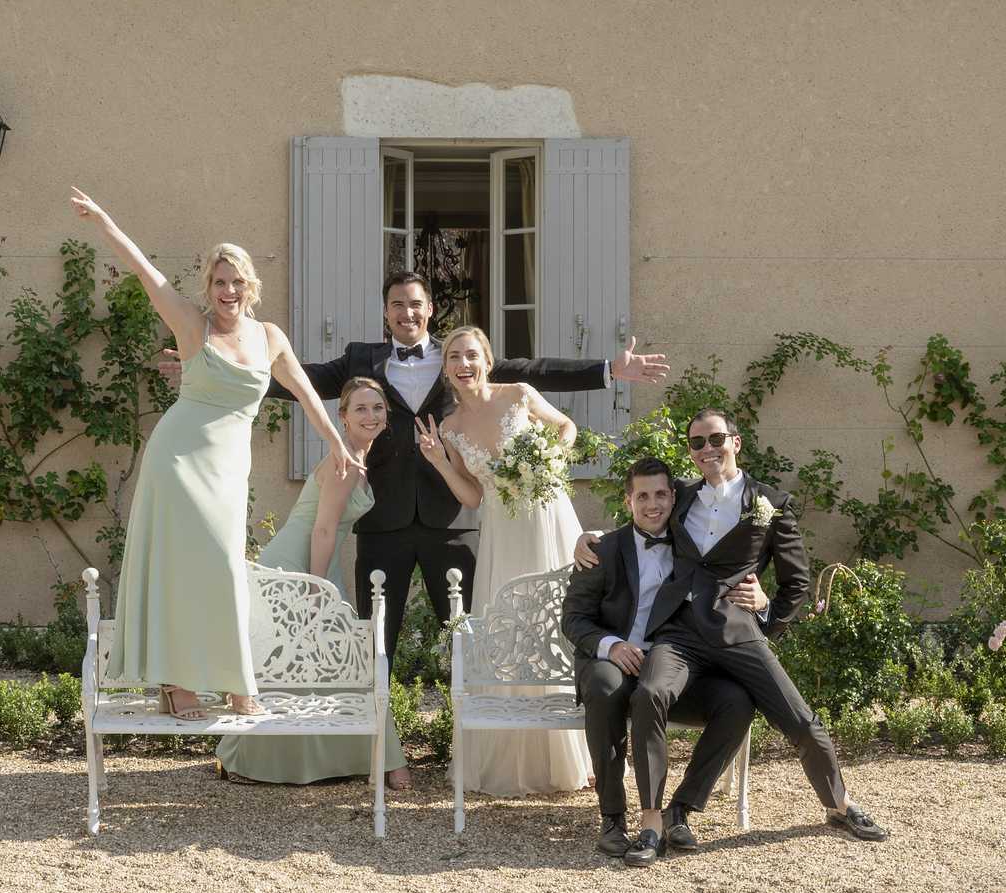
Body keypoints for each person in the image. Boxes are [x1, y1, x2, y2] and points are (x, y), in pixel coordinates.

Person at [169, 270, 670, 665]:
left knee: (470, 634)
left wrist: (610, 371)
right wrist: (211, 365)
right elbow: (303, 380)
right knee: (375, 639)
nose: (407, 312)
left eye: (415, 303)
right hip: (382, 521)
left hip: (452, 522)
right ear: (385, 313)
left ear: (430, 309)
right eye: (397, 305)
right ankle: (384, 755)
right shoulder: (360, 357)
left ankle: (468, 740)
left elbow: (533, 370)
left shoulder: (462, 358)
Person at [69, 187, 360, 720]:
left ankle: (232, 678)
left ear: (251, 286)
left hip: (228, 469)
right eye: (219, 281)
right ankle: (177, 680)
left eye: (236, 281)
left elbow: (307, 394)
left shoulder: (270, 337)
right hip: (177, 460)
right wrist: (105, 220)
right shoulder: (191, 325)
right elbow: (143, 271)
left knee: (224, 566)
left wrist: (337, 440)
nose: (228, 290)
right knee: (183, 566)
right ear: (209, 286)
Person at [574, 409, 888, 861]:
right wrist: (587, 537)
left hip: (737, 633)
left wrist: (766, 614)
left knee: (798, 718)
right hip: (679, 632)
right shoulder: (680, 495)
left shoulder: (771, 504)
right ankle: (652, 823)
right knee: (649, 695)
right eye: (697, 443)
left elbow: (797, 582)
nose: (707, 449)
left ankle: (840, 805)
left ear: (735, 442)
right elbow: (643, 515)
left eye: (716, 439)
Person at [414, 326, 590, 795]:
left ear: (487, 360)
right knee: (511, 631)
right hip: (502, 534)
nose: (463, 363)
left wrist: (550, 457)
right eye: (454, 357)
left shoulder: (519, 394)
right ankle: (516, 758)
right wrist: (439, 461)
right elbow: (472, 497)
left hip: (548, 518)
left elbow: (565, 427)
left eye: (471, 354)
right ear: (446, 368)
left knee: (560, 622)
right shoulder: (449, 427)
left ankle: (584, 754)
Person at [214, 377, 411, 788]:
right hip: (299, 567)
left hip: (317, 565)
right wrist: (317, 590)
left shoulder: (358, 458)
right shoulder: (344, 463)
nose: (370, 415)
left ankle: (361, 757)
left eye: (377, 408)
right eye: (359, 408)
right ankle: (385, 762)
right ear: (342, 416)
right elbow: (322, 530)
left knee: (325, 663)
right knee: (307, 660)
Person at [561, 456, 759, 859]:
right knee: (603, 686)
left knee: (737, 701)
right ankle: (612, 817)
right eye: (643, 496)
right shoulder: (604, 548)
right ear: (629, 500)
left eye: (661, 495)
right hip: (615, 663)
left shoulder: (694, 546)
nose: (653, 505)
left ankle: (680, 810)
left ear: (674, 497)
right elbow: (575, 618)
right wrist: (611, 646)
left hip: (676, 665)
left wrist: (764, 599)